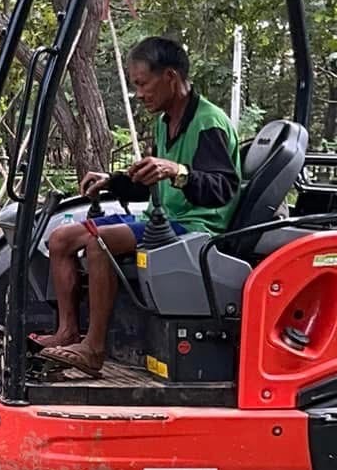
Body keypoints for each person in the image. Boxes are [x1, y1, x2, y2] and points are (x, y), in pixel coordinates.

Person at [34, 35, 240, 376]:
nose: (140, 94)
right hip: (164, 219)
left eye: (143, 84)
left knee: (99, 242)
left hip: (197, 227)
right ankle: (67, 331)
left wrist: (178, 171)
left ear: (170, 77)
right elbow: (152, 183)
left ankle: (94, 348)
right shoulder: (164, 121)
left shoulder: (209, 123)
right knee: (61, 238)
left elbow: (223, 189)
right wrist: (112, 182)